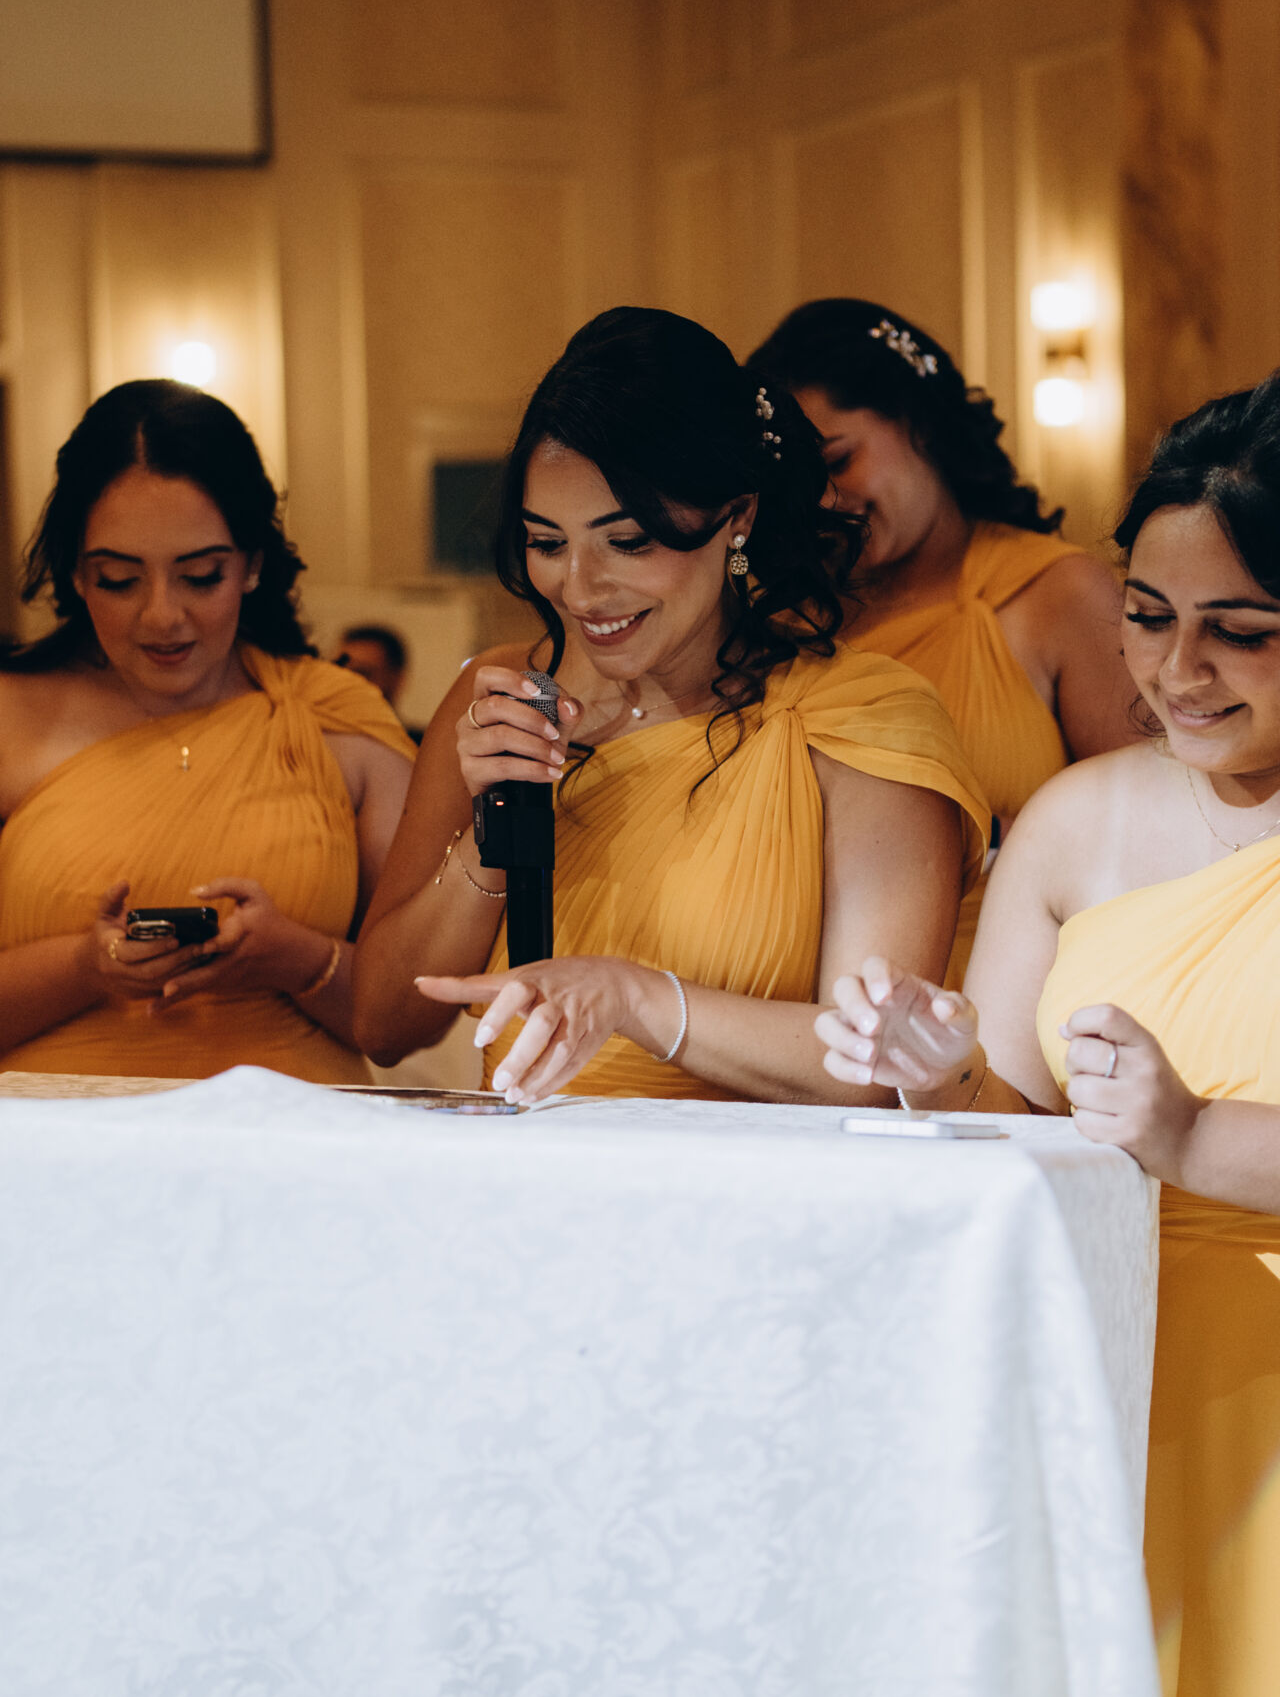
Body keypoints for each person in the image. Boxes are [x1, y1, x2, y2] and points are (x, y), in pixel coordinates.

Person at [816, 373, 1280, 1697]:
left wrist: (1193, 1135)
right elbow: (1011, 1128)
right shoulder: (1077, 819)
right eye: (1147, 616)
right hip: (1105, 1363)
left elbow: (1166, 1130)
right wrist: (938, 1069)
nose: (1175, 672)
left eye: (1239, 632)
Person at [354, 305, 989, 1103]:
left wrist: (639, 999)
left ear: (738, 517)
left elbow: (871, 1067)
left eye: (628, 542)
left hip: (755, 1178)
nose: (580, 589)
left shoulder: (858, 719)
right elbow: (383, 1026)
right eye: (547, 543)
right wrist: (493, 838)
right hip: (528, 1170)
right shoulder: (504, 694)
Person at [0, 380, 416, 1084]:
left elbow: (408, 1019)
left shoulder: (335, 718)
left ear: (252, 564)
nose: (163, 616)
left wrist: (297, 959)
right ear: (75, 572)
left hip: (296, 1135)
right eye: (119, 579)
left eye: (199, 576)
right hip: (56, 1139)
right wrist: (82, 967)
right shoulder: (11, 715)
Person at [749, 297, 1137, 975]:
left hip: (1015, 991)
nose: (822, 500)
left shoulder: (1057, 594)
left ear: (919, 423)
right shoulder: (787, 626)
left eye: (837, 460)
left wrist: (981, 837)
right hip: (818, 1004)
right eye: (798, 480)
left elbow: (1149, 825)